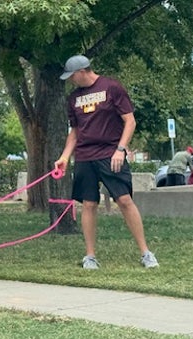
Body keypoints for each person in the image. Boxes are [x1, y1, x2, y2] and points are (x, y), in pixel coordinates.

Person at [55, 54, 158, 270]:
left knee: (124, 200)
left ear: (83, 71)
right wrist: (65, 156)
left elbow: (129, 121)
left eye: (72, 76)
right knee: (89, 204)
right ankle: (90, 256)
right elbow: (74, 131)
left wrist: (120, 149)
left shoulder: (111, 87)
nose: (71, 80)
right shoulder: (73, 98)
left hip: (110, 154)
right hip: (85, 156)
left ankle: (146, 253)